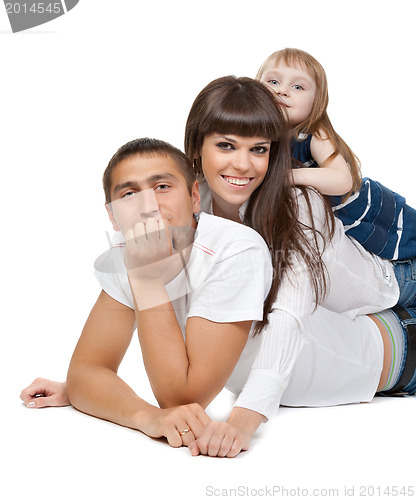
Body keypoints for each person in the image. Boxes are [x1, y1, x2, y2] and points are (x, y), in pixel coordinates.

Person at [21, 78, 416, 458]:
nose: (243, 165)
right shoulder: (183, 209)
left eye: (259, 150)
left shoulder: (294, 208)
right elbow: (99, 367)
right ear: (196, 157)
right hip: (363, 335)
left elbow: (289, 314)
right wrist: (89, 390)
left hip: (392, 284)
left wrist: (246, 416)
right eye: (226, 145)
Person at [20, 137, 273, 448]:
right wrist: (147, 417)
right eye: (128, 194)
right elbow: (86, 372)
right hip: (247, 386)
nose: (148, 206)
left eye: (162, 187)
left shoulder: (235, 250)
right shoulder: (129, 251)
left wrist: (146, 278)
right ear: (112, 216)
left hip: (321, 381)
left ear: (195, 196)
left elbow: (183, 398)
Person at [257, 47, 416, 261]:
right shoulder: (259, 136)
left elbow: (342, 180)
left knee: (405, 242)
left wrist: (286, 177)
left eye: (297, 86)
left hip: (370, 212)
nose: (282, 90)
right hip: (338, 223)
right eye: (273, 82)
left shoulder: (313, 133)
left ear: (316, 102)